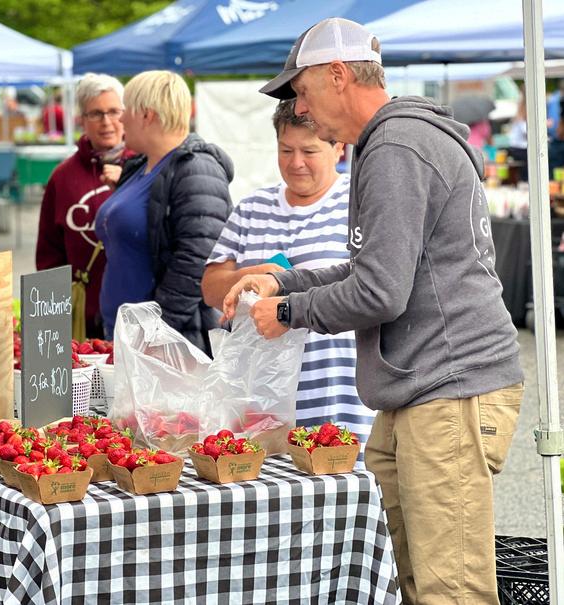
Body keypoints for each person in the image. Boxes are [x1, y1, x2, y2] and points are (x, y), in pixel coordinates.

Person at [221, 18, 524, 605]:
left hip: (448, 388)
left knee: (450, 590)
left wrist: (289, 311)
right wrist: (283, 280)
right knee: (403, 577)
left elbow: (380, 292)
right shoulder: (391, 141)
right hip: (424, 388)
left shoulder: (395, 145)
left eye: (301, 90)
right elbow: (373, 271)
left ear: (338, 75)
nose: (299, 108)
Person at [201, 99, 376, 450]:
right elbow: (209, 288)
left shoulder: (360, 204)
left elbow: (374, 287)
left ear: (338, 148)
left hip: (340, 391)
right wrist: (257, 274)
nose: (296, 163)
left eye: (309, 151)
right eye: (285, 150)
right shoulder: (251, 209)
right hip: (260, 398)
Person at [95, 70, 233, 354]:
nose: (121, 119)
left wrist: (157, 332)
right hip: (126, 334)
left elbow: (196, 259)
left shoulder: (196, 168)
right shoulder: (139, 166)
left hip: (163, 344)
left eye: (125, 110)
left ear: (147, 115)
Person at [36, 73, 135, 340]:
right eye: (96, 113)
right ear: (82, 119)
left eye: (114, 111)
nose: (106, 122)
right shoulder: (62, 177)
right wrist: (51, 320)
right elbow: (49, 254)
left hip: (136, 315)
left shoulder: (146, 169)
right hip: (82, 318)